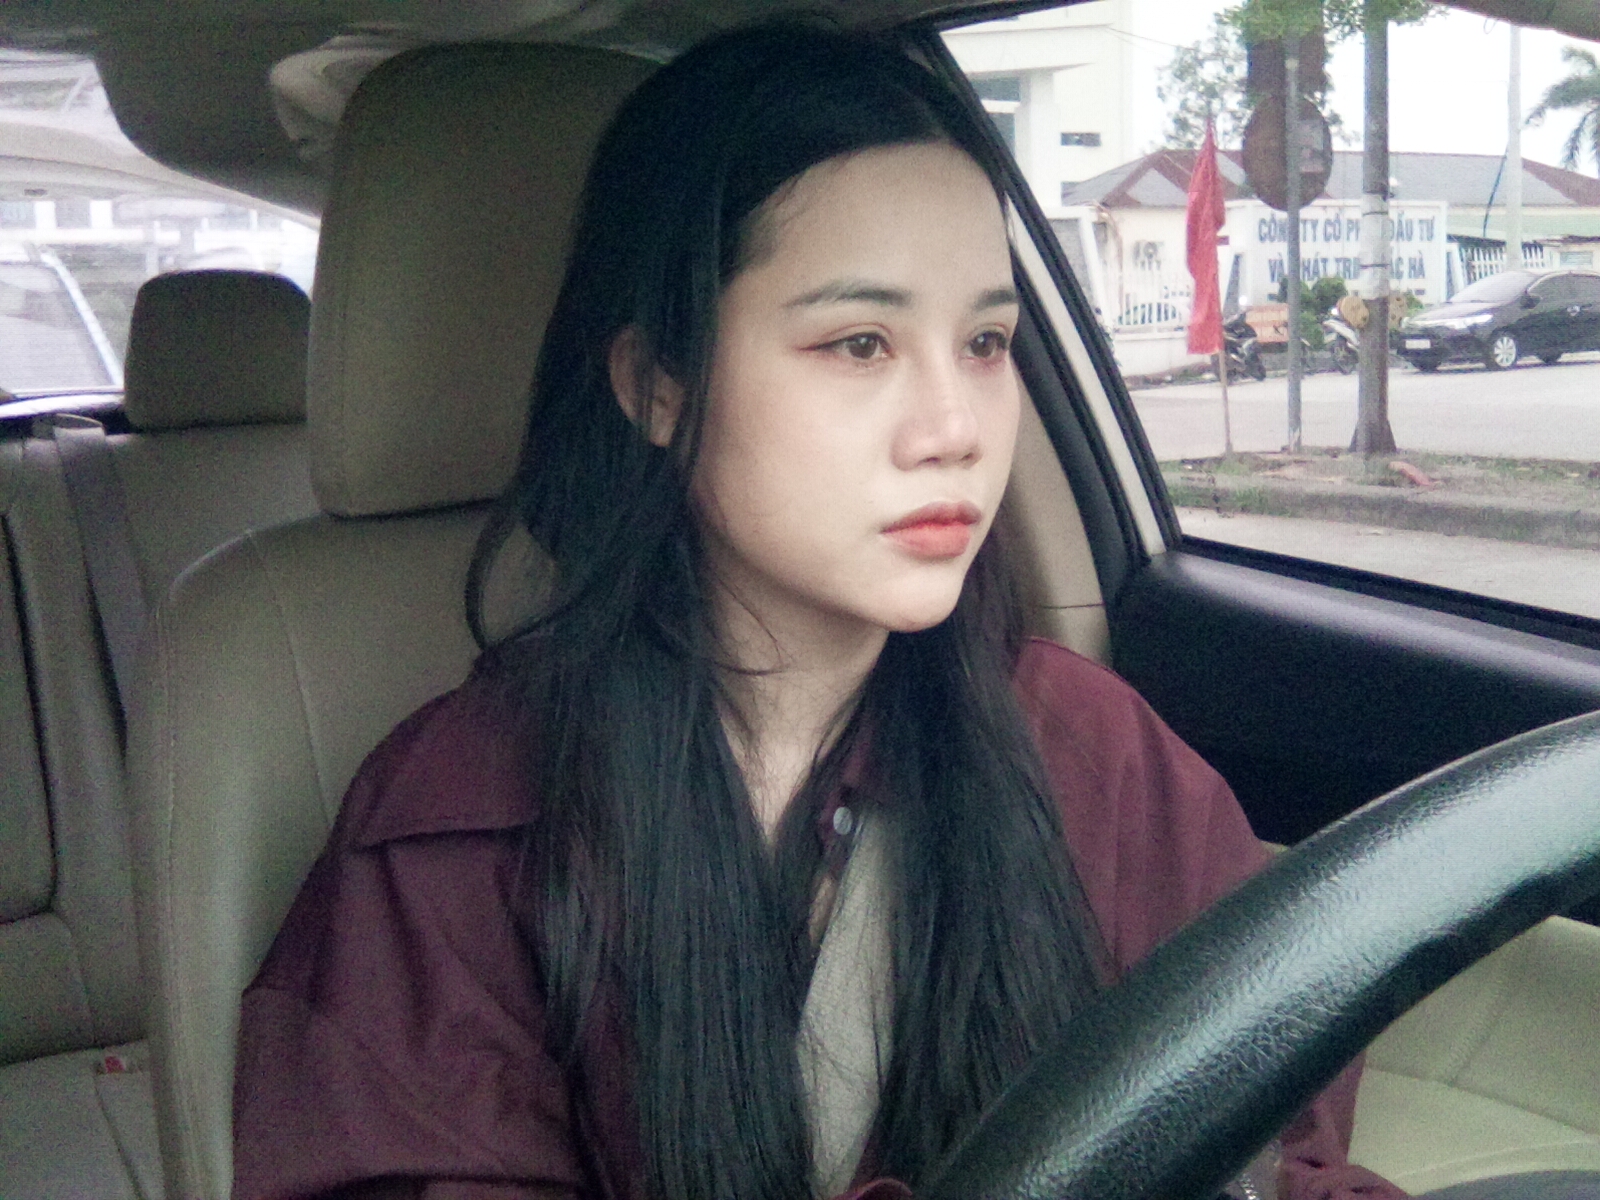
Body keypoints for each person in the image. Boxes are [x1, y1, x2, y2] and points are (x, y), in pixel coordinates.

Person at [232, 22, 1406, 1200]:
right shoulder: (465, 835)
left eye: (985, 342)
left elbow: (1268, 1138)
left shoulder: (1087, 752)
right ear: (656, 385)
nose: (954, 428)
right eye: (858, 343)